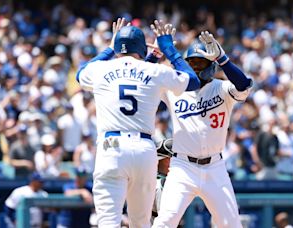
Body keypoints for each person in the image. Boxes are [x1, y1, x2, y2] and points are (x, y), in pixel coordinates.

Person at [76, 18, 199, 227]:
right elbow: (192, 81)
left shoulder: (100, 70)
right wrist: (168, 49)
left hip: (111, 148)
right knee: (140, 223)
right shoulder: (155, 71)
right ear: (142, 48)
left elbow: (81, 74)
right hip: (144, 150)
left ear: (116, 47)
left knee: (107, 222)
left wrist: (108, 49)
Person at [153, 31, 253, 227]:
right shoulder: (176, 88)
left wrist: (223, 60)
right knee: (165, 221)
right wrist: (155, 57)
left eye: (201, 63)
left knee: (231, 224)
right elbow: (146, 80)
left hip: (215, 167)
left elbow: (243, 85)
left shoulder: (222, 88)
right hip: (182, 167)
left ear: (211, 65)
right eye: (191, 63)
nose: (196, 67)